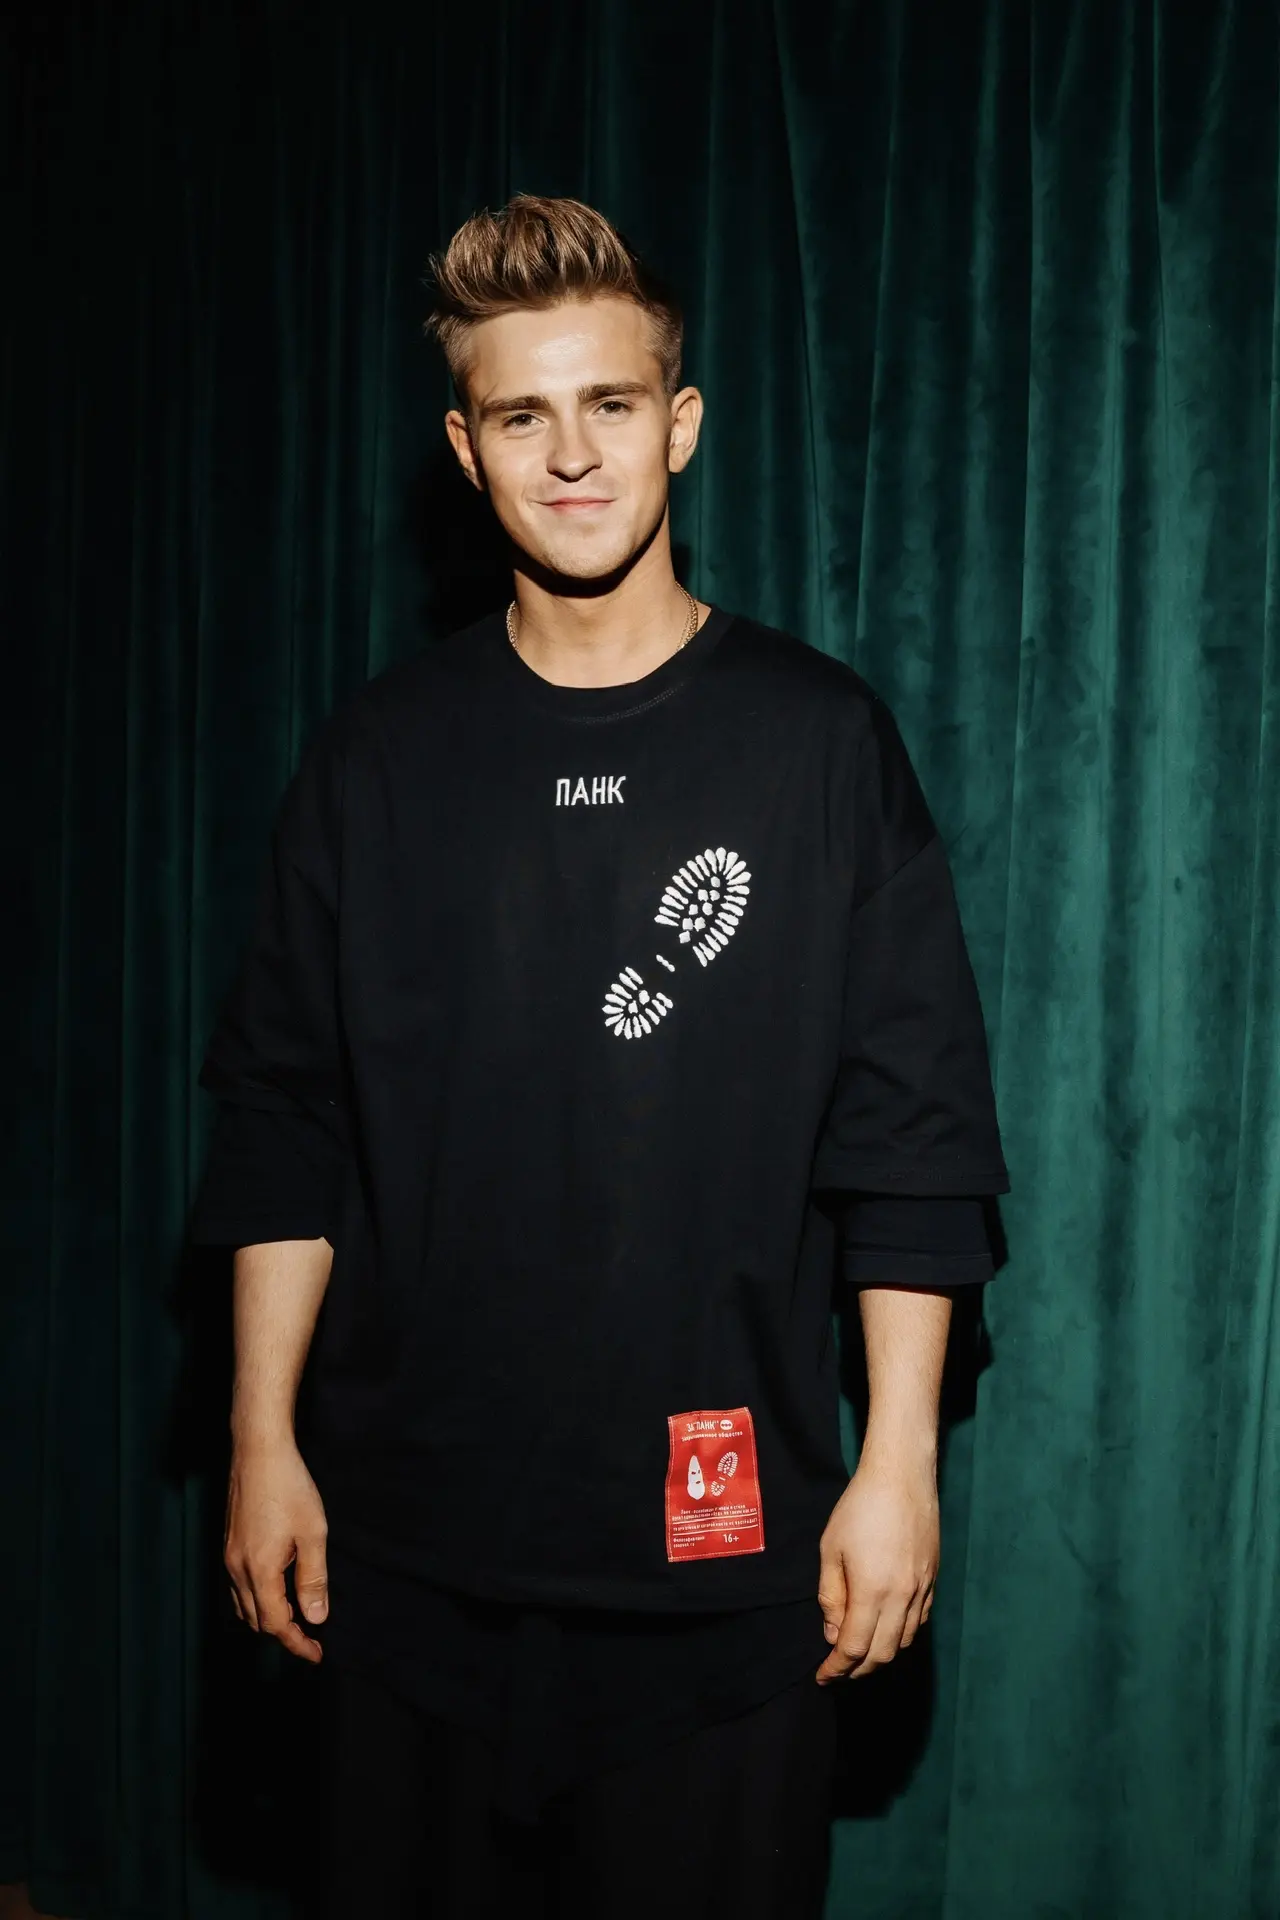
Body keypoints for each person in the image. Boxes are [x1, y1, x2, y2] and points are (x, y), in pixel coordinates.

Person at [190, 193, 1010, 1919]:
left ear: (680, 425)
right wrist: (263, 1439)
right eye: (522, 416)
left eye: (612, 404)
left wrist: (898, 1465)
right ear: (464, 452)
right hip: (406, 1564)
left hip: (719, 1573)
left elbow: (915, 1141)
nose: (572, 455)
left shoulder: (820, 745)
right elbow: (282, 1119)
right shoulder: (377, 759)